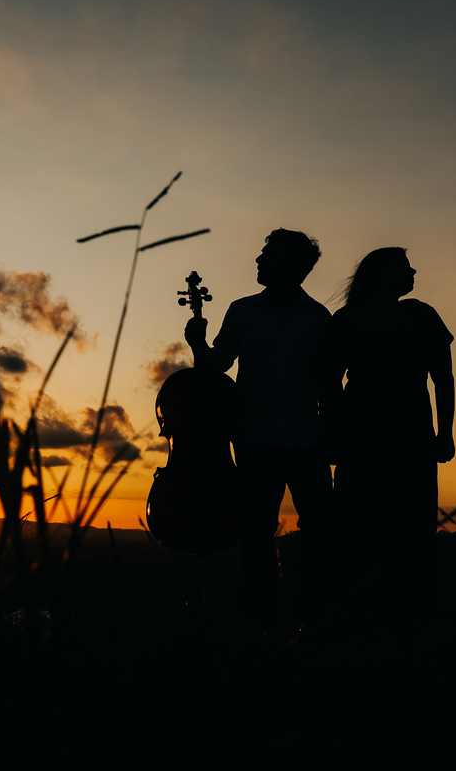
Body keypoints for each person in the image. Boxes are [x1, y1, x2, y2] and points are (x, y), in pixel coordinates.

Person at [184, 228, 333, 624]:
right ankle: (261, 619)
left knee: (319, 534)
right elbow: (219, 365)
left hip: (307, 440)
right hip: (254, 440)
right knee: (255, 534)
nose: (258, 260)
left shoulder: (320, 319)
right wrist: (198, 346)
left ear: (296, 266)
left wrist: (332, 433)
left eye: (269, 253)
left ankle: (314, 618)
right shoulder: (241, 310)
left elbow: (330, 384)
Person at [321, 247, 455, 628]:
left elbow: (443, 379)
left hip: (412, 438)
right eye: (404, 265)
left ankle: (414, 617)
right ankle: (360, 616)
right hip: (361, 437)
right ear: (380, 272)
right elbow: (328, 385)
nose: (413, 271)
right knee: (360, 528)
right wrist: (331, 434)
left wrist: (445, 433)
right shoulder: (346, 320)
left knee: (414, 529)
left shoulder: (422, 315)